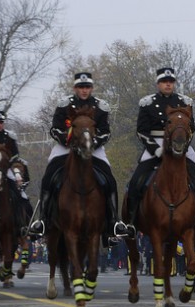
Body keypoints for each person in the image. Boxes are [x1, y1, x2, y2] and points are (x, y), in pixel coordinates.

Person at [31, 72, 127, 238]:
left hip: (92, 148)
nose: (84, 90)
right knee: (48, 177)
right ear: (75, 88)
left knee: (109, 179)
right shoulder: (64, 105)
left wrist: (92, 144)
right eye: (81, 87)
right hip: (66, 147)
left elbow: (105, 132)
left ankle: (114, 221)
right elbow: (55, 128)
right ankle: (43, 220)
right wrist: (67, 141)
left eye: (87, 87)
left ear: (92, 88)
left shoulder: (100, 106)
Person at [125, 68, 195, 238]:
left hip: (179, 146)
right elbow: (141, 131)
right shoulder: (147, 103)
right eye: (164, 82)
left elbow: (191, 129)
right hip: (154, 146)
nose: (168, 84)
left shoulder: (184, 102)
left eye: (171, 81)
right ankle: (130, 223)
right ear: (158, 84)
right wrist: (156, 149)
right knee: (135, 183)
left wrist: (180, 148)